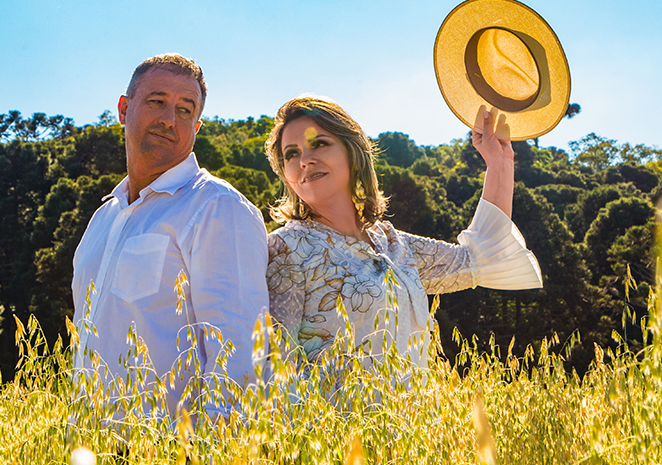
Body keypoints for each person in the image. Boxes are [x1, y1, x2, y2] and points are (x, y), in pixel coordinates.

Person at [264, 95, 542, 371]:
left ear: (352, 152)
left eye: (319, 144)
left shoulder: (391, 243)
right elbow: (276, 365)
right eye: (291, 154)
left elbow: (482, 259)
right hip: (336, 415)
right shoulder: (285, 248)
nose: (305, 161)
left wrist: (500, 162)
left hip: (412, 414)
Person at [71, 54, 269, 418]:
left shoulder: (216, 208)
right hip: (86, 448)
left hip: (167, 457)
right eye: (157, 102)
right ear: (123, 108)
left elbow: (241, 354)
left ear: (196, 127)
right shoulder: (103, 218)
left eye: (185, 110)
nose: (168, 119)